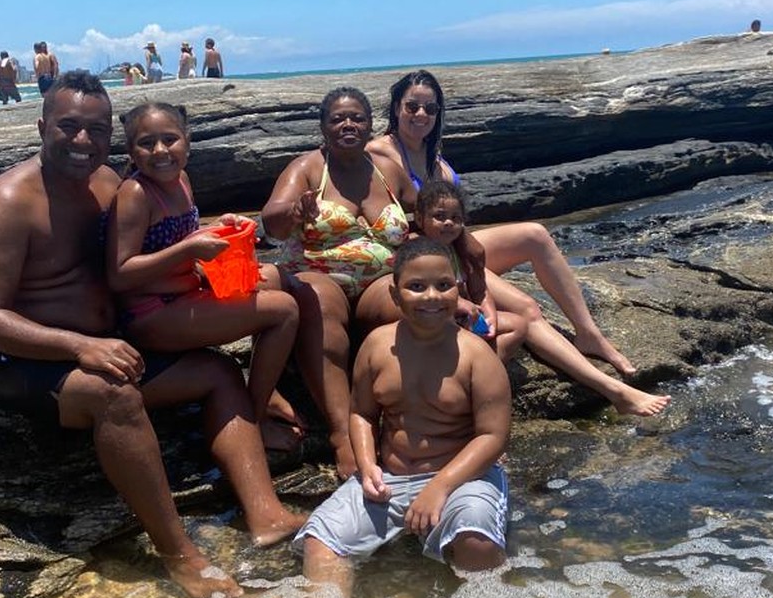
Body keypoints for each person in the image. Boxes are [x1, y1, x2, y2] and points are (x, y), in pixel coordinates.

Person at [0, 70, 305, 598]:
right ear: (41, 125)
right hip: (20, 364)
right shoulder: (7, 201)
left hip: (111, 341)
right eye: (68, 126)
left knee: (216, 369)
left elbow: (162, 225)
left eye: (96, 130)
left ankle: (266, 513)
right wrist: (80, 346)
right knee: (111, 394)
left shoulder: (108, 185)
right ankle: (180, 555)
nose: (83, 141)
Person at [290, 236, 512, 598]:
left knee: (475, 538)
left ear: (458, 289)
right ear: (394, 293)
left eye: (444, 285)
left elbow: (492, 437)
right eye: (417, 287)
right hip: (388, 477)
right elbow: (361, 413)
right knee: (321, 542)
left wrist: (440, 487)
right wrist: (367, 464)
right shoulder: (376, 345)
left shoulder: (476, 356)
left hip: (463, 476)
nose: (432, 297)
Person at [368, 69, 639, 377]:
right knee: (525, 308)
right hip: (421, 257)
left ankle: (588, 333)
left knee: (535, 234)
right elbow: (380, 218)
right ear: (395, 108)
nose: (421, 114)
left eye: (430, 108)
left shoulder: (435, 158)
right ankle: (606, 384)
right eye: (412, 106)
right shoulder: (380, 153)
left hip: (452, 245)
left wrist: (465, 242)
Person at [106, 101, 303, 451]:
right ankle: (254, 418)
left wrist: (218, 228)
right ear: (131, 151)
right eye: (147, 143)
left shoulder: (182, 180)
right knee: (283, 310)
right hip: (153, 314)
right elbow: (120, 274)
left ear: (188, 141)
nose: (161, 151)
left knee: (275, 277)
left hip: (186, 293)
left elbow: (184, 237)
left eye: (170, 139)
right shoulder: (136, 194)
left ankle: (264, 386)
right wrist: (189, 251)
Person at [410, 180, 670, 416]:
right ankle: (472, 382)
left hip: (461, 303)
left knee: (518, 316)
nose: (448, 222)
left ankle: (589, 336)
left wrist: (486, 310)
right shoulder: (421, 250)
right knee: (524, 312)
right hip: (437, 313)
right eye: (440, 217)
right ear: (421, 218)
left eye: (455, 218)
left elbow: (479, 286)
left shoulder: (460, 249)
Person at [261, 87, 414, 479]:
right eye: (338, 119)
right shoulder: (307, 168)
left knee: (410, 309)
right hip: (320, 272)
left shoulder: (387, 167)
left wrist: (460, 239)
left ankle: (409, 422)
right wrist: (295, 211)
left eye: (357, 118)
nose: (348, 125)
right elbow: (272, 222)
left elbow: (427, 209)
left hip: (379, 282)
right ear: (324, 127)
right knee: (320, 304)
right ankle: (343, 434)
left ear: (370, 125)